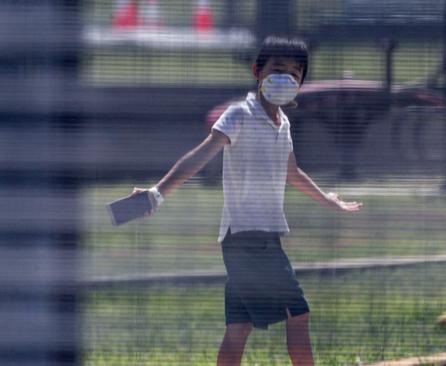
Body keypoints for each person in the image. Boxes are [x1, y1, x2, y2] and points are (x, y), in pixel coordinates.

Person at [131, 36, 363, 366]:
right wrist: (157, 193)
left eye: (296, 73)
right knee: (299, 314)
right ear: (257, 71)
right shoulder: (239, 114)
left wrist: (328, 200)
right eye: (278, 69)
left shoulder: (283, 124)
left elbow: (292, 172)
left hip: (260, 238)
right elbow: (201, 155)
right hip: (248, 239)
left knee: (239, 327)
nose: (287, 78)